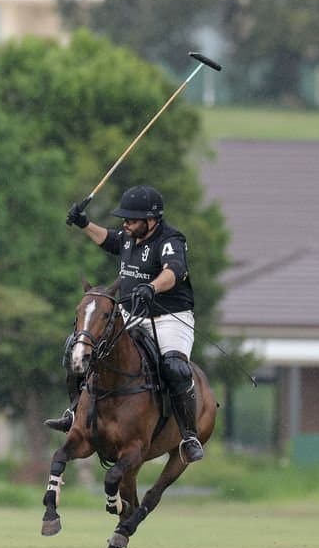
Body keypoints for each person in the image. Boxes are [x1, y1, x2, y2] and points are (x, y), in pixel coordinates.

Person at [47, 185, 205, 463]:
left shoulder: (171, 239)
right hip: (131, 312)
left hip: (169, 316)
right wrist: (84, 223)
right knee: (78, 348)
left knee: (176, 368)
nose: (126, 223)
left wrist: (153, 288)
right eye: (125, 219)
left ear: (151, 220)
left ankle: (189, 435)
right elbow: (109, 240)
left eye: (132, 219)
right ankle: (73, 412)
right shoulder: (130, 237)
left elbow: (174, 271)